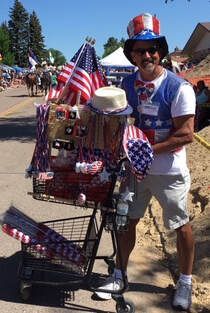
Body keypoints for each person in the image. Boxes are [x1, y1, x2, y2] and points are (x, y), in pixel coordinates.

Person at [95, 13, 196, 311]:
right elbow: (117, 123)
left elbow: (186, 134)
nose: (147, 55)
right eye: (140, 50)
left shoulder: (179, 88)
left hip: (169, 172)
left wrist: (146, 150)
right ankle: (119, 274)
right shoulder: (126, 85)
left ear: (161, 51)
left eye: (152, 49)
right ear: (132, 55)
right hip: (135, 171)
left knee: (181, 225)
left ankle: (186, 283)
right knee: (127, 223)